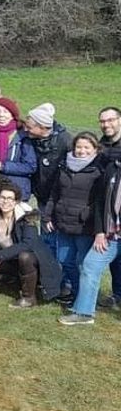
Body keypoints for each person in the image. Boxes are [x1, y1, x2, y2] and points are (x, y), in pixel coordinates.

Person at [0, 179, 61, 309]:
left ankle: (29, 297)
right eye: (2, 197)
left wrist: (0, 257)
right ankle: (13, 280)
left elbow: (28, 243)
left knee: (24, 257)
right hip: (10, 259)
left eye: (10, 198)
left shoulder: (27, 217)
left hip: (36, 262)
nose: (5, 201)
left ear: (16, 201)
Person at [59, 153, 121, 325]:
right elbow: (100, 202)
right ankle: (84, 313)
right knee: (90, 266)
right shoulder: (112, 168)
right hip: (112, 235)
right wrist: (100, 231)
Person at [43, 131, 102, 303]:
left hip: (84, 226)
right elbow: (55, 194)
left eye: (86, 147)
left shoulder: (98, 170)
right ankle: (75, 293)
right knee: (65, 260)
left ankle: (83, 299)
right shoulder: (64, 166)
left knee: (82, 263)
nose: (82, 151)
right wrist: (47, 217)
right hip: (62, 223)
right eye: (79, 147)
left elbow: (100, 200)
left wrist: (87, 213)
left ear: (95, 149)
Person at [25, 102, 73, 256]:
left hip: (60, 199)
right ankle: (49, 272)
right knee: (47, 236)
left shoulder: (65, 142)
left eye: (30, 126)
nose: (27, 129)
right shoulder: (33, 140)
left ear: (43, 128)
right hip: (43, 195)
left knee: (61, 241)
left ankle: (62, 276)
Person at [95, 107, 121, 309]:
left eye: (111, 120)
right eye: (103, 121)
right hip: (108, 211)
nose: (106, 124)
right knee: (116, 259)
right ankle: (117, 294)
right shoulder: (101, 146)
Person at [0, 97, 36, 201]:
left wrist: (3, 166)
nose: (1, 115)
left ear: (12, 115)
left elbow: (30, 167)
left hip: (17, 191)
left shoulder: (23, 136)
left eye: (5, 112)